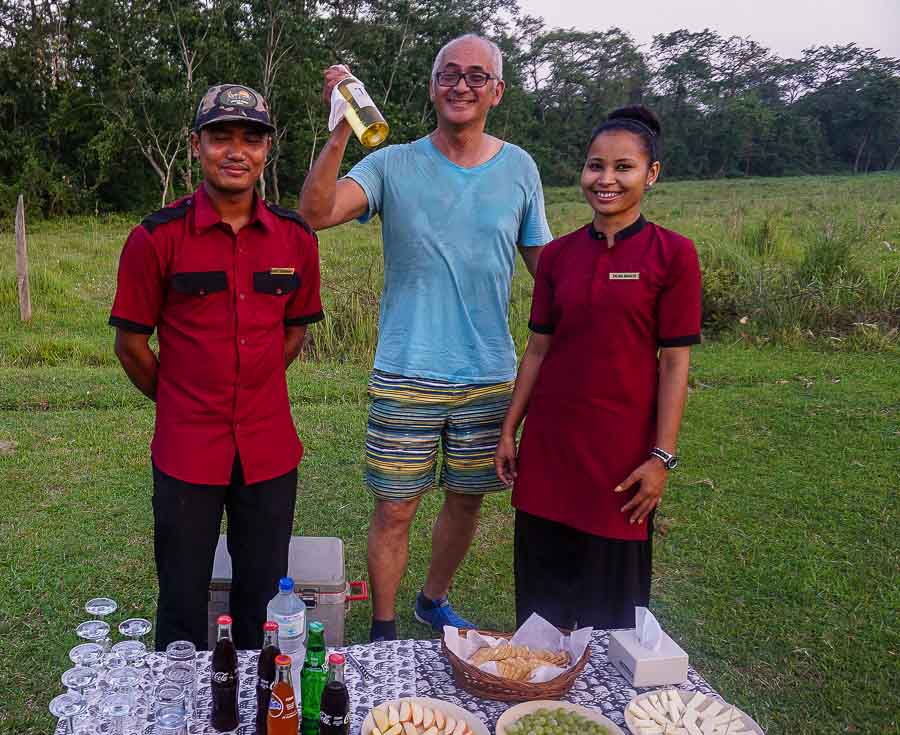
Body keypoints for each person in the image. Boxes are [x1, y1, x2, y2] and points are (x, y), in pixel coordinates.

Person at [299, 34, 552, 641]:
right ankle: (384, 628)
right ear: (433, 84)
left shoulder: (519, 168)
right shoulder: (392, 163)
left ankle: (432, 600)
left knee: (467, 499)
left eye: (475, 76)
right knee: (395, 505)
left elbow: (549, 268)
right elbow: (314, 213)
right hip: (407, 367)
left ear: (497, 90)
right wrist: (340, 128)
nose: (460, 85)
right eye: (448, 74)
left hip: (490, 372)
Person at [109, 84, 324, 651]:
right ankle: (178, 719)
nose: (236, 151)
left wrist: (248, 389)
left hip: (269, 449)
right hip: (186, 450)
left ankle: (261, 720)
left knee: (264, 604)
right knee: (181, 600)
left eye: (250, 138)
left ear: (267, 150)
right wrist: (183, 399)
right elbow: (130, 345)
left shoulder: (296, 238)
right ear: (195, 145)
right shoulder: (154, 238)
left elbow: (294, 329)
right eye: (220, 136)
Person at [495, 106, 701, 630]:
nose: (605, 179)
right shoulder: (559, 256)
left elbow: (675, 363)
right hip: (550, 451)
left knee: (611, 619)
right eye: (595, 166)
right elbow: (538, 349)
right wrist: (508, 429)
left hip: (620, 458)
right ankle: (536, 699)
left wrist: (662, 457)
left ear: (651, 174)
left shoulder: (672, 255)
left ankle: (603, 709)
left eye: (623, 167)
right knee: (540, 612)